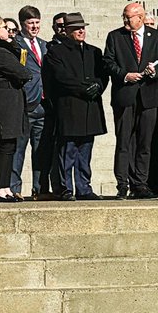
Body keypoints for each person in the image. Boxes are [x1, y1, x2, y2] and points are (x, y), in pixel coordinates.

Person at [43, 12, 108, 200]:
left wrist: (98, 86)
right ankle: (65, 188)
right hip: (69, 107)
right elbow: (60, 78)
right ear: (68, 30)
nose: (81, 31)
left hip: (90, 107)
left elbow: (103, 74)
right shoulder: (57, 52)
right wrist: (83, 89)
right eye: (76, 28)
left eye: (83, 27)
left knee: (85, 149)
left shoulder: (94, 51)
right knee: (68, 150)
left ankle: (84, 187)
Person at [103, 2, 158, 199]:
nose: (125, 20)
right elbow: (108, 62)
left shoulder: (156, 36)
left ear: (140, 17)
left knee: (145, 143)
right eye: (124, 16)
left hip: (148, 96)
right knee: (124, 142)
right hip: (125, 95)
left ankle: (140, 184)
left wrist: (155, 71)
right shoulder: (115, 36)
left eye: (128, 17)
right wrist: (124, 75)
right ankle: (122, 184)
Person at [0, 15, 32, 202]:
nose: (8, 31)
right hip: (5, 101)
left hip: (10, 99)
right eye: (4, 28)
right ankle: (0, 187)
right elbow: (23, 72)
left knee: (9, 144)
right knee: (5, 144)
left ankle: (5, 185)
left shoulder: (3, 49)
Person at [12, 6, 48, 198]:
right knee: (19, 148)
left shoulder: (44, 44)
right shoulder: (16, 44)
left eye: (37, 23)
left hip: (43, 103)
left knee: (41, 149)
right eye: (30, 23)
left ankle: (40, 188)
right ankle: (14, 188)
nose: (34, 27)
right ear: (22, 24)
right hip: (26, 103)